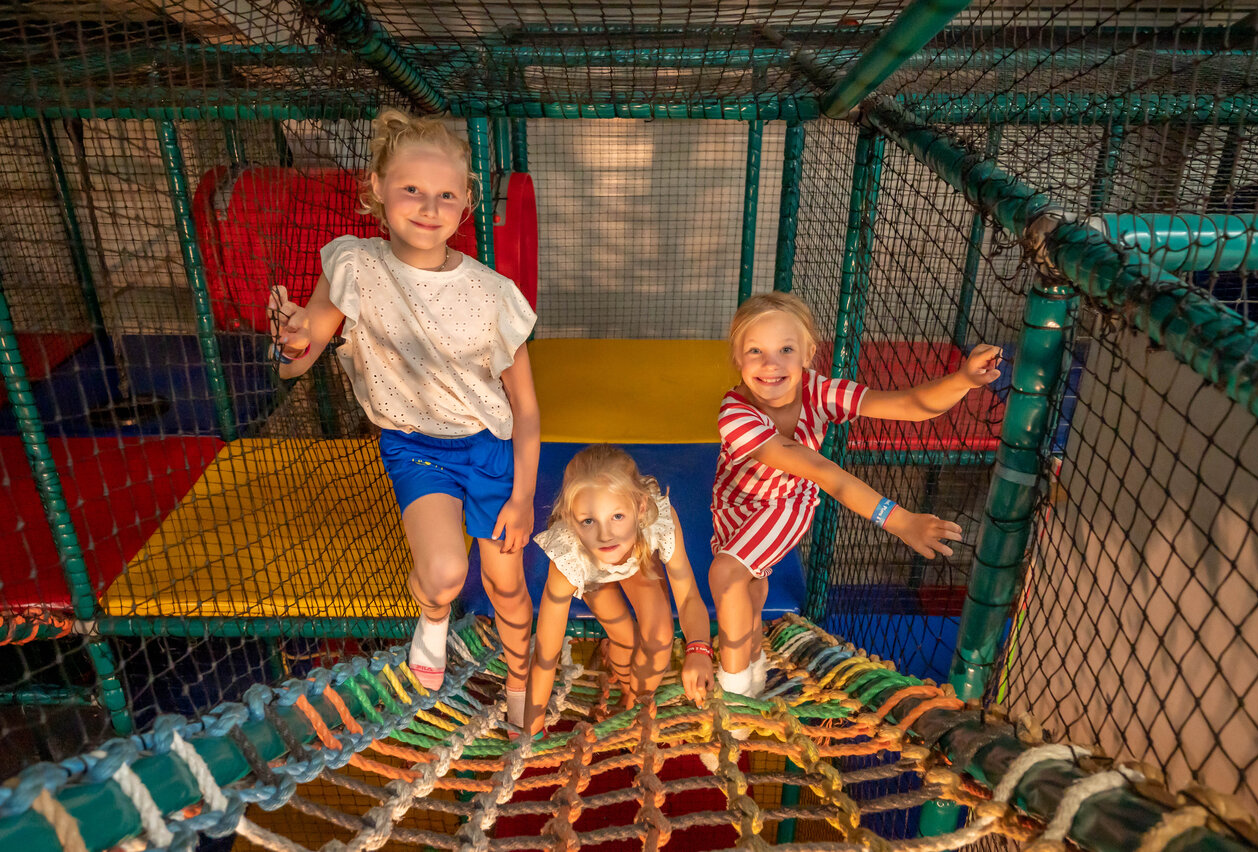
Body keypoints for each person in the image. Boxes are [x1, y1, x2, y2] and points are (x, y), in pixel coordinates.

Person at [268, 109, 538, 728]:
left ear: (466, 200)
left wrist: (522, 496)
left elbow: (524, 406)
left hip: (490, 449)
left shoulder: (493, 292)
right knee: (445, 574)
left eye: (445, 193)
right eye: (411, 189)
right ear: (376, 190)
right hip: (417, 447)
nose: (427, 205)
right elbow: (299, 359)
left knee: (507, 591)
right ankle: (434, 615)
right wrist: (290, 339)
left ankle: (522, 687)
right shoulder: (355, 265)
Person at [709, 291, 1002, 699]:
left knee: (727, 574)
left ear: (809, 353)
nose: (770, 364)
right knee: (749, 589)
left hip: (786, 503)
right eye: (755, 350)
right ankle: (753, 668)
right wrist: (899, 519)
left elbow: (910, 405)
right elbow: (814, 465)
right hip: (733, 504)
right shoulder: (735, 414)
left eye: (786, 349)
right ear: (737, 357)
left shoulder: (820, 392)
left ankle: (735, 698)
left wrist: (965, 380)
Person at [524, 444, 714, 736]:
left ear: (639, 507)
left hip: (637, 552)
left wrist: (699, 649)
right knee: (624, 636)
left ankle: (634, 704)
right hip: (591, 567)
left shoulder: (656, 521)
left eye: (617, 516)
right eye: (588, 521)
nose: (605, 535)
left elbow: (688, 596)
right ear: (570, 519)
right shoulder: (569, 557)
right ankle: (624, 682)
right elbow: (545, 658)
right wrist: (532, 732)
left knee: (660, 636)